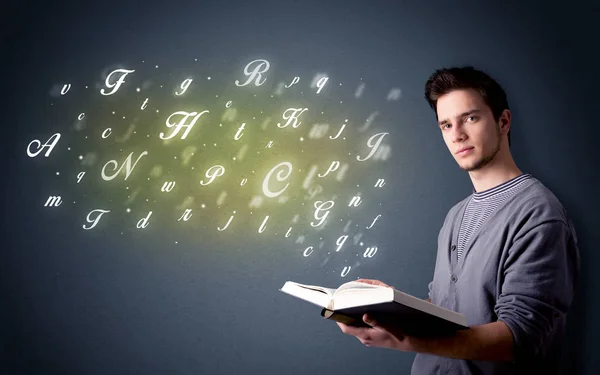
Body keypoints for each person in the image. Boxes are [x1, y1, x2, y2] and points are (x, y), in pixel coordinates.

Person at [336, 66, 581, 374]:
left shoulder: (539, 214)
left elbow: (519, 336)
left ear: (503, 121)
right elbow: (451, 310)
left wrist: (403, 339)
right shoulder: (456, 215)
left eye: (470, 118)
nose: (457, 135)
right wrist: (392, 307)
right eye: (446, 125)